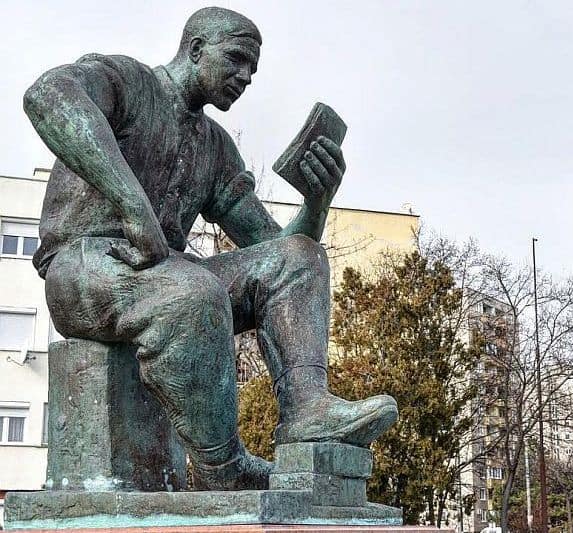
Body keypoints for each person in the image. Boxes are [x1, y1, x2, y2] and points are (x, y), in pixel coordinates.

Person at [23, 6, 397, 490]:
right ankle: (225, 467)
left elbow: (273, 251)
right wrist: (133, 205)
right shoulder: (131, 82)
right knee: (195, 293)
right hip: (82, 265)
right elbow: (47, 95)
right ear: (196, 49)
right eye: (237, 60)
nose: (245, 77)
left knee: (301, 258)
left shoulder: (215, 146)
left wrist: (317, 203)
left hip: (159, 272)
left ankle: (307, 409)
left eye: (253, 70)